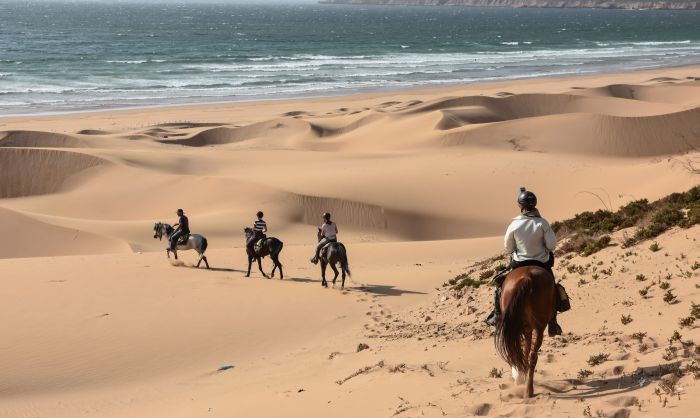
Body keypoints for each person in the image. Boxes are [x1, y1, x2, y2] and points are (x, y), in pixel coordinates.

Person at [484, 188, 563, 336]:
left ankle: (496, 315)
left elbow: (508, 248)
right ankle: (553, 321)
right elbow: (552, 245)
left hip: (519, 262)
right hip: (541, 262)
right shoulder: (543, 223)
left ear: (520, 206)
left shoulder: (514, 224)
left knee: (500, 287)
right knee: (553, 284)